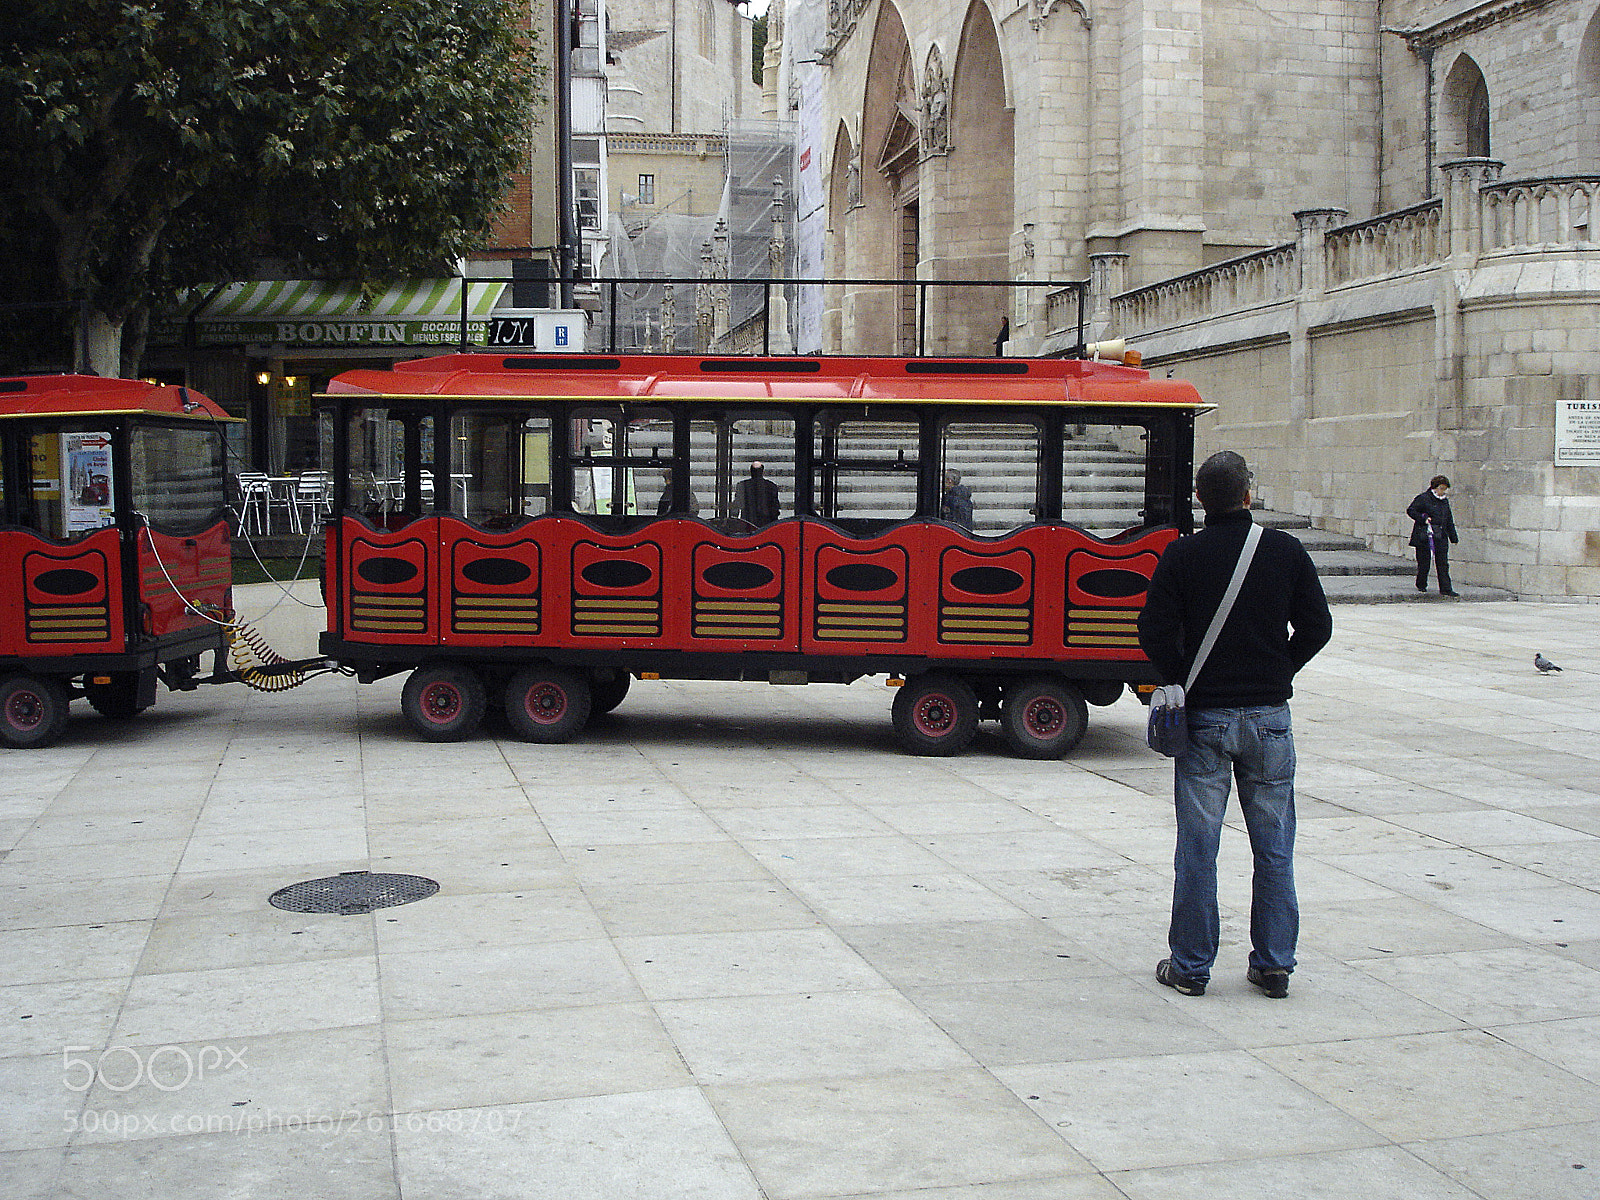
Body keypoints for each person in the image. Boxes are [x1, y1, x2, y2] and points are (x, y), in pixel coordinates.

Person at [1137, 451, 1332, 999]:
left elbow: (1152, 630)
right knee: (1274, 846)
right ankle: (1274, 965)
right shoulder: (1285, 551)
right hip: (1270, 719)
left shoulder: (1183, 554)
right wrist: (1279, 670)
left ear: (1201, 499)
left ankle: (1191, 966)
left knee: (1198, 847)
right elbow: (1318, 626)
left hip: (1205, 719)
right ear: (1248, 495)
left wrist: (1180, 678)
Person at [1407, 475, 1459, 596]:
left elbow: (1449, 520)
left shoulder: (1444, 501)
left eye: (1445, 489)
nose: (1443, 491)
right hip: (1425, 535)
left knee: (1443, 563)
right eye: (1441, 488)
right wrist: (1423, 518)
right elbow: (1411, 510)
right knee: (1424, 561)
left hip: (1440, 535)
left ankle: (1446, 588)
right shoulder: (1423, 498)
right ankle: (1421, 584)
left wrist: (1453, 537)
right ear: (1434, 487)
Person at [735, 462, 780, 526]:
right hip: (766, 525)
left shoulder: (742, 485)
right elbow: (775, 509)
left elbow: (737, 505)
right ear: (762, 471)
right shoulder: (771, 486)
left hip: (747, 524)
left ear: (751, 471)